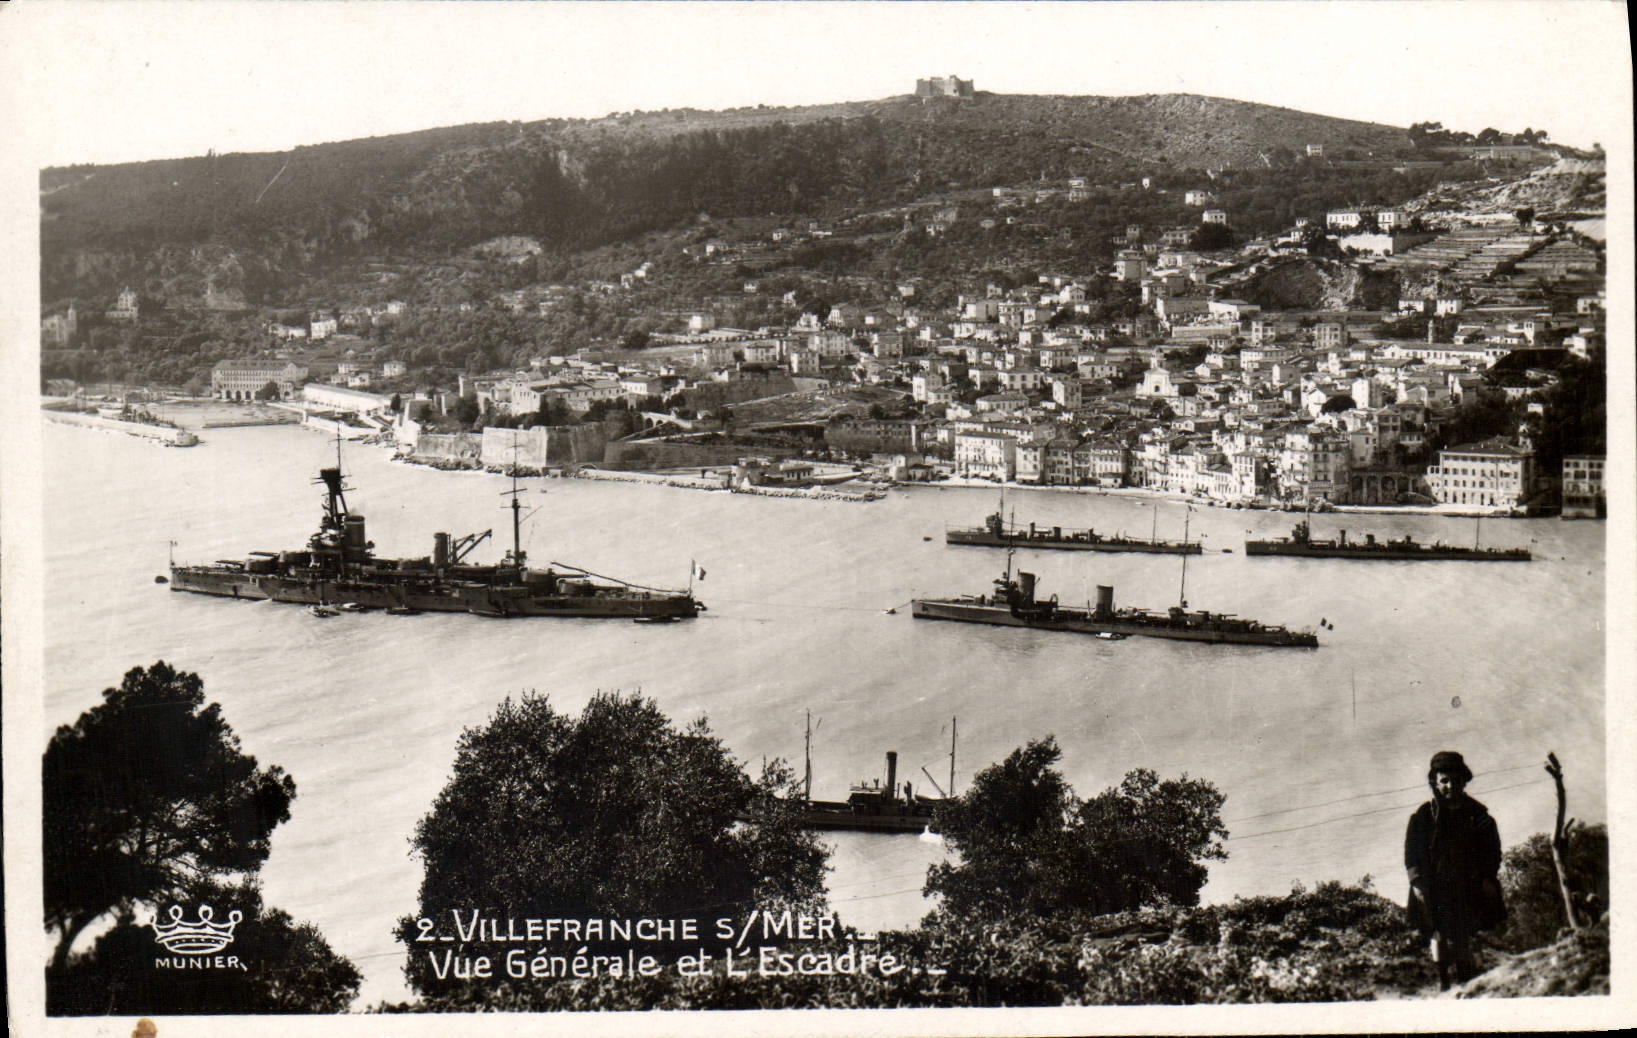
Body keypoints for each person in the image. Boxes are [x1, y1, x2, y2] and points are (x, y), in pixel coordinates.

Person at [1404, 750, 1506, 990]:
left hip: (1466, 883)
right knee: (1437, 932)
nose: (1450, 786)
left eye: (1456, 780)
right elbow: (1412, 852)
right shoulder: (1424, 816)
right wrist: (1416, 881)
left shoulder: (1478, 816)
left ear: (1464, 780)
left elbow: (1492, 852)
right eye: (1444, 781)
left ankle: (1465, 980)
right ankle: (1443, 983)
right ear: (1434, 782)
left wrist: (1486, 877)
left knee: (1462, 932)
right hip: (1432, 884)